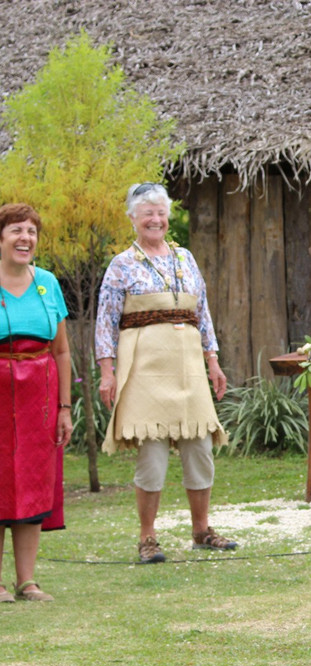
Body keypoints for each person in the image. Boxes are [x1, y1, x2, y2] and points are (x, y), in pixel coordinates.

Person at [95, 182, 233, 564]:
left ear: (168, 216)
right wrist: (107, 371)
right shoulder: (122, 265)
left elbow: (201, 312)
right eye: (147, 213)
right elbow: (105, 321)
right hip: (144, 370)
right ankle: (147, 538)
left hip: (188, 367)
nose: (155, 219)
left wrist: (213, 361)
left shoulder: (184, 258)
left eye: (160, 212)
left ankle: (202, 530)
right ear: (133, 218)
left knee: (200, 447)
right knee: (152, 454)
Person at [0, 204, 73, 602]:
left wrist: (64, 407)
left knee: (31, 483)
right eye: (15, 230)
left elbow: (61, 351)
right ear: (1, 238)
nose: (24, 238)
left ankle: (26, 581)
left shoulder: (47, 283)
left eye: (31, 231)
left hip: (39, 401)